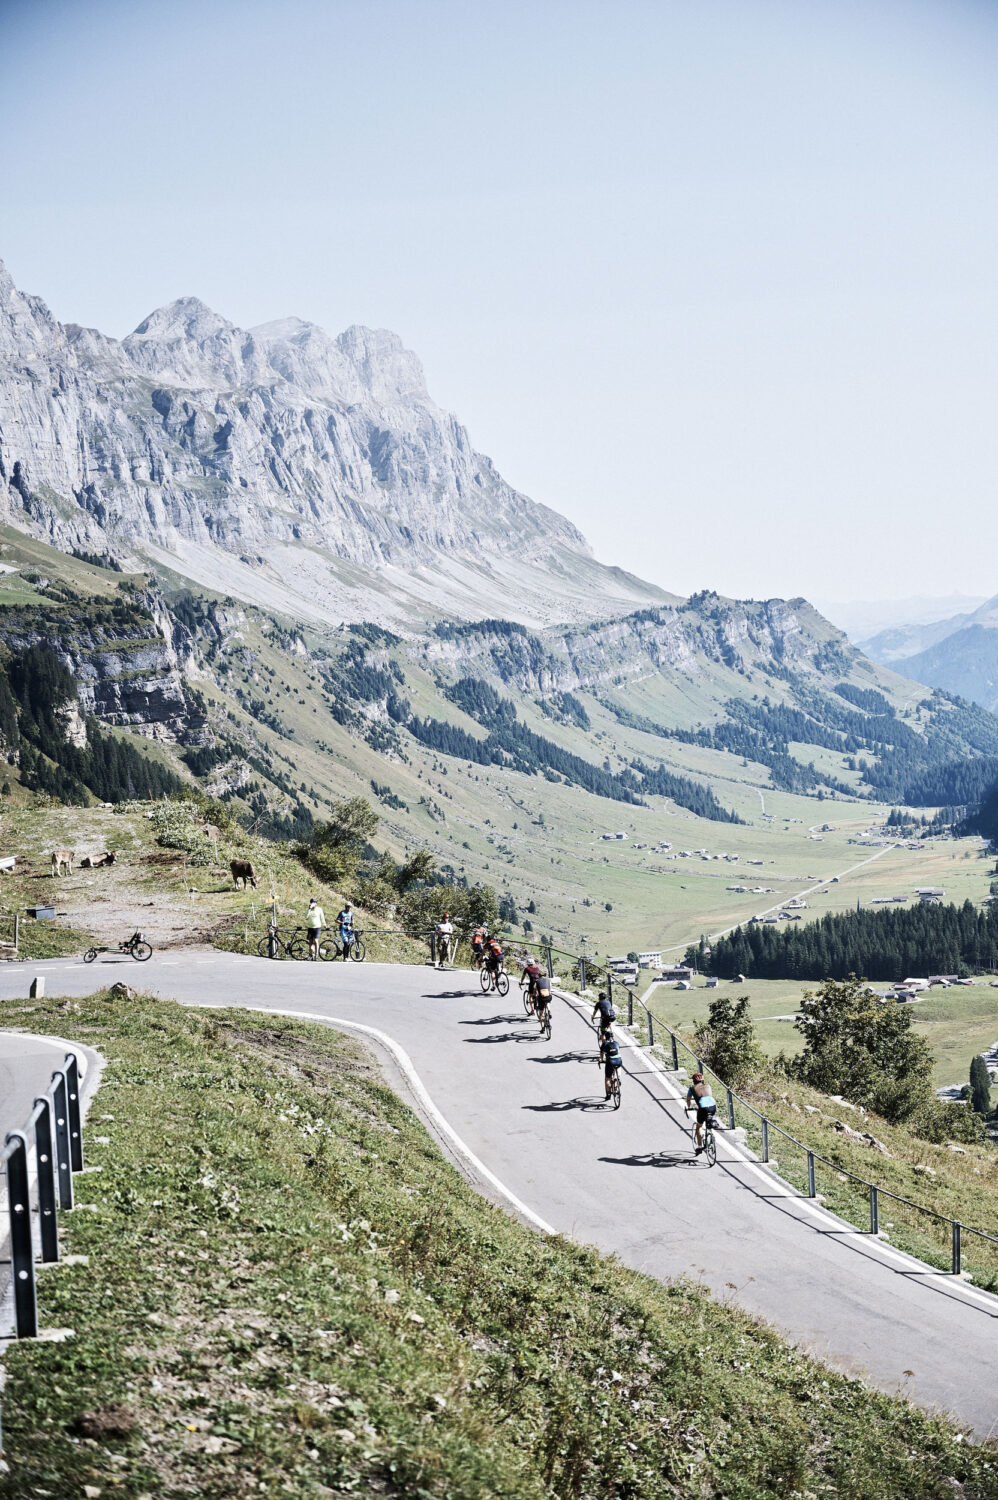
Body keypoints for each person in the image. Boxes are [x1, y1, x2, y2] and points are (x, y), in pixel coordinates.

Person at [685, 1072, 717, 1154]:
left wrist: (690, 1107)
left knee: (699, 1126)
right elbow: (708, 1098)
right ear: (702, 1080)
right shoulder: (708, 1086)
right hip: (713, 1107)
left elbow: (688, 1100)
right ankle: (710, 1134)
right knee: (709, 1121)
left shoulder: (692, 1089)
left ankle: (699, 1147)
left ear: (693, 1081)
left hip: (703, 1109)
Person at [599, 1027, 623, 1100]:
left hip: (610, 1061)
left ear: (606, 1037)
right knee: (618, 1067)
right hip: (618, 1060)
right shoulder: (616, 1043)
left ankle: (608, 1095)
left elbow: (601, 1053)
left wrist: (602, 1060)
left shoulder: (605, 1044)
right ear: (612, 1037)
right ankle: (618, 1078)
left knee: (607, 1078)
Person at [306, 896, 326, 961]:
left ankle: (316, 954)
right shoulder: (309, 909)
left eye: (314, 902)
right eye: (312, 902)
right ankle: (310, 955)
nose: (313, 903)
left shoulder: (319, 909)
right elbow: (306, 917)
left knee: (316, 941)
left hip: (317, 927)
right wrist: (309, 909)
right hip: (310, 927)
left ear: (316, 903)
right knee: (310, 942)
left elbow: (322, 917)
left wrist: (324, 924)